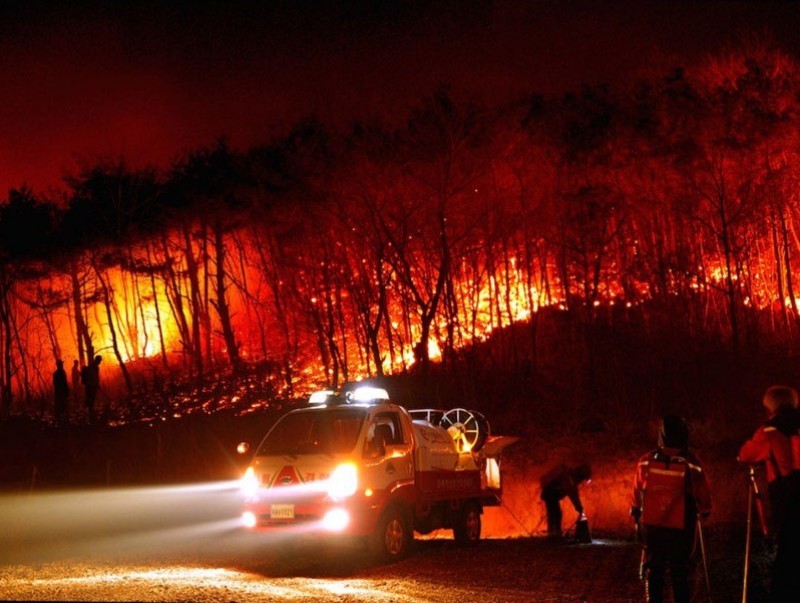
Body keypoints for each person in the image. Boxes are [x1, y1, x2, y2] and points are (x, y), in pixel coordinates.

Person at [631, 415, 712, 603]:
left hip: (652, 524)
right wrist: (706, 509)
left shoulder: (646, 460)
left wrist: (635, 511)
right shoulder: (691, 462)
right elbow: (703, 491)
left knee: (655, 568)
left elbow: (637, 490)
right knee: (680, 570)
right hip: (681, 526)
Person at [738, 386, 800, 601]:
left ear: (769, 407)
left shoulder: (768, 432)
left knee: (787, 552)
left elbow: (745, 455)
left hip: (786, 500)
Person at [540, 463, 591, 539]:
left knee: (554, 513)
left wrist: (578, 506)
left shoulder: (571, 477)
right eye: (584, 478)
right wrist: (578, 507)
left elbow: (573, 492)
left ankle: (553, 534)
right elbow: (572, 493)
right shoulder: (570, 478)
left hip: (551, 495)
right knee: (556, 514)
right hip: (550, 494)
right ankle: (554, 535)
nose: (583, 481)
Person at [82, 355, 101, 423]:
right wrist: (95, 384)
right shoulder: (93, 367)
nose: (100, 362)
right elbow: (93, 377)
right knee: (91, 401)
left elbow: (95, 377)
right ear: (97, 360)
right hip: (91, 387)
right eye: (99, 361)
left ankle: (91, 415)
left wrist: (97, 384)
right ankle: (91, 416)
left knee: (91, 401)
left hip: (91, 386)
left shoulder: (93, 367)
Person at [52, 359, 69, 427]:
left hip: (59, 393)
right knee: (62, 406)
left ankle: (60, 420)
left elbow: (55, 384)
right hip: (61, 393)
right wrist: (66, 390)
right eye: (61, 364)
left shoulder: (56, 373)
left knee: (60, 406)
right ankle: (61, 421)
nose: (62, 365)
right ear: (59, 365)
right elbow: (63, 383)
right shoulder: (61, 373)